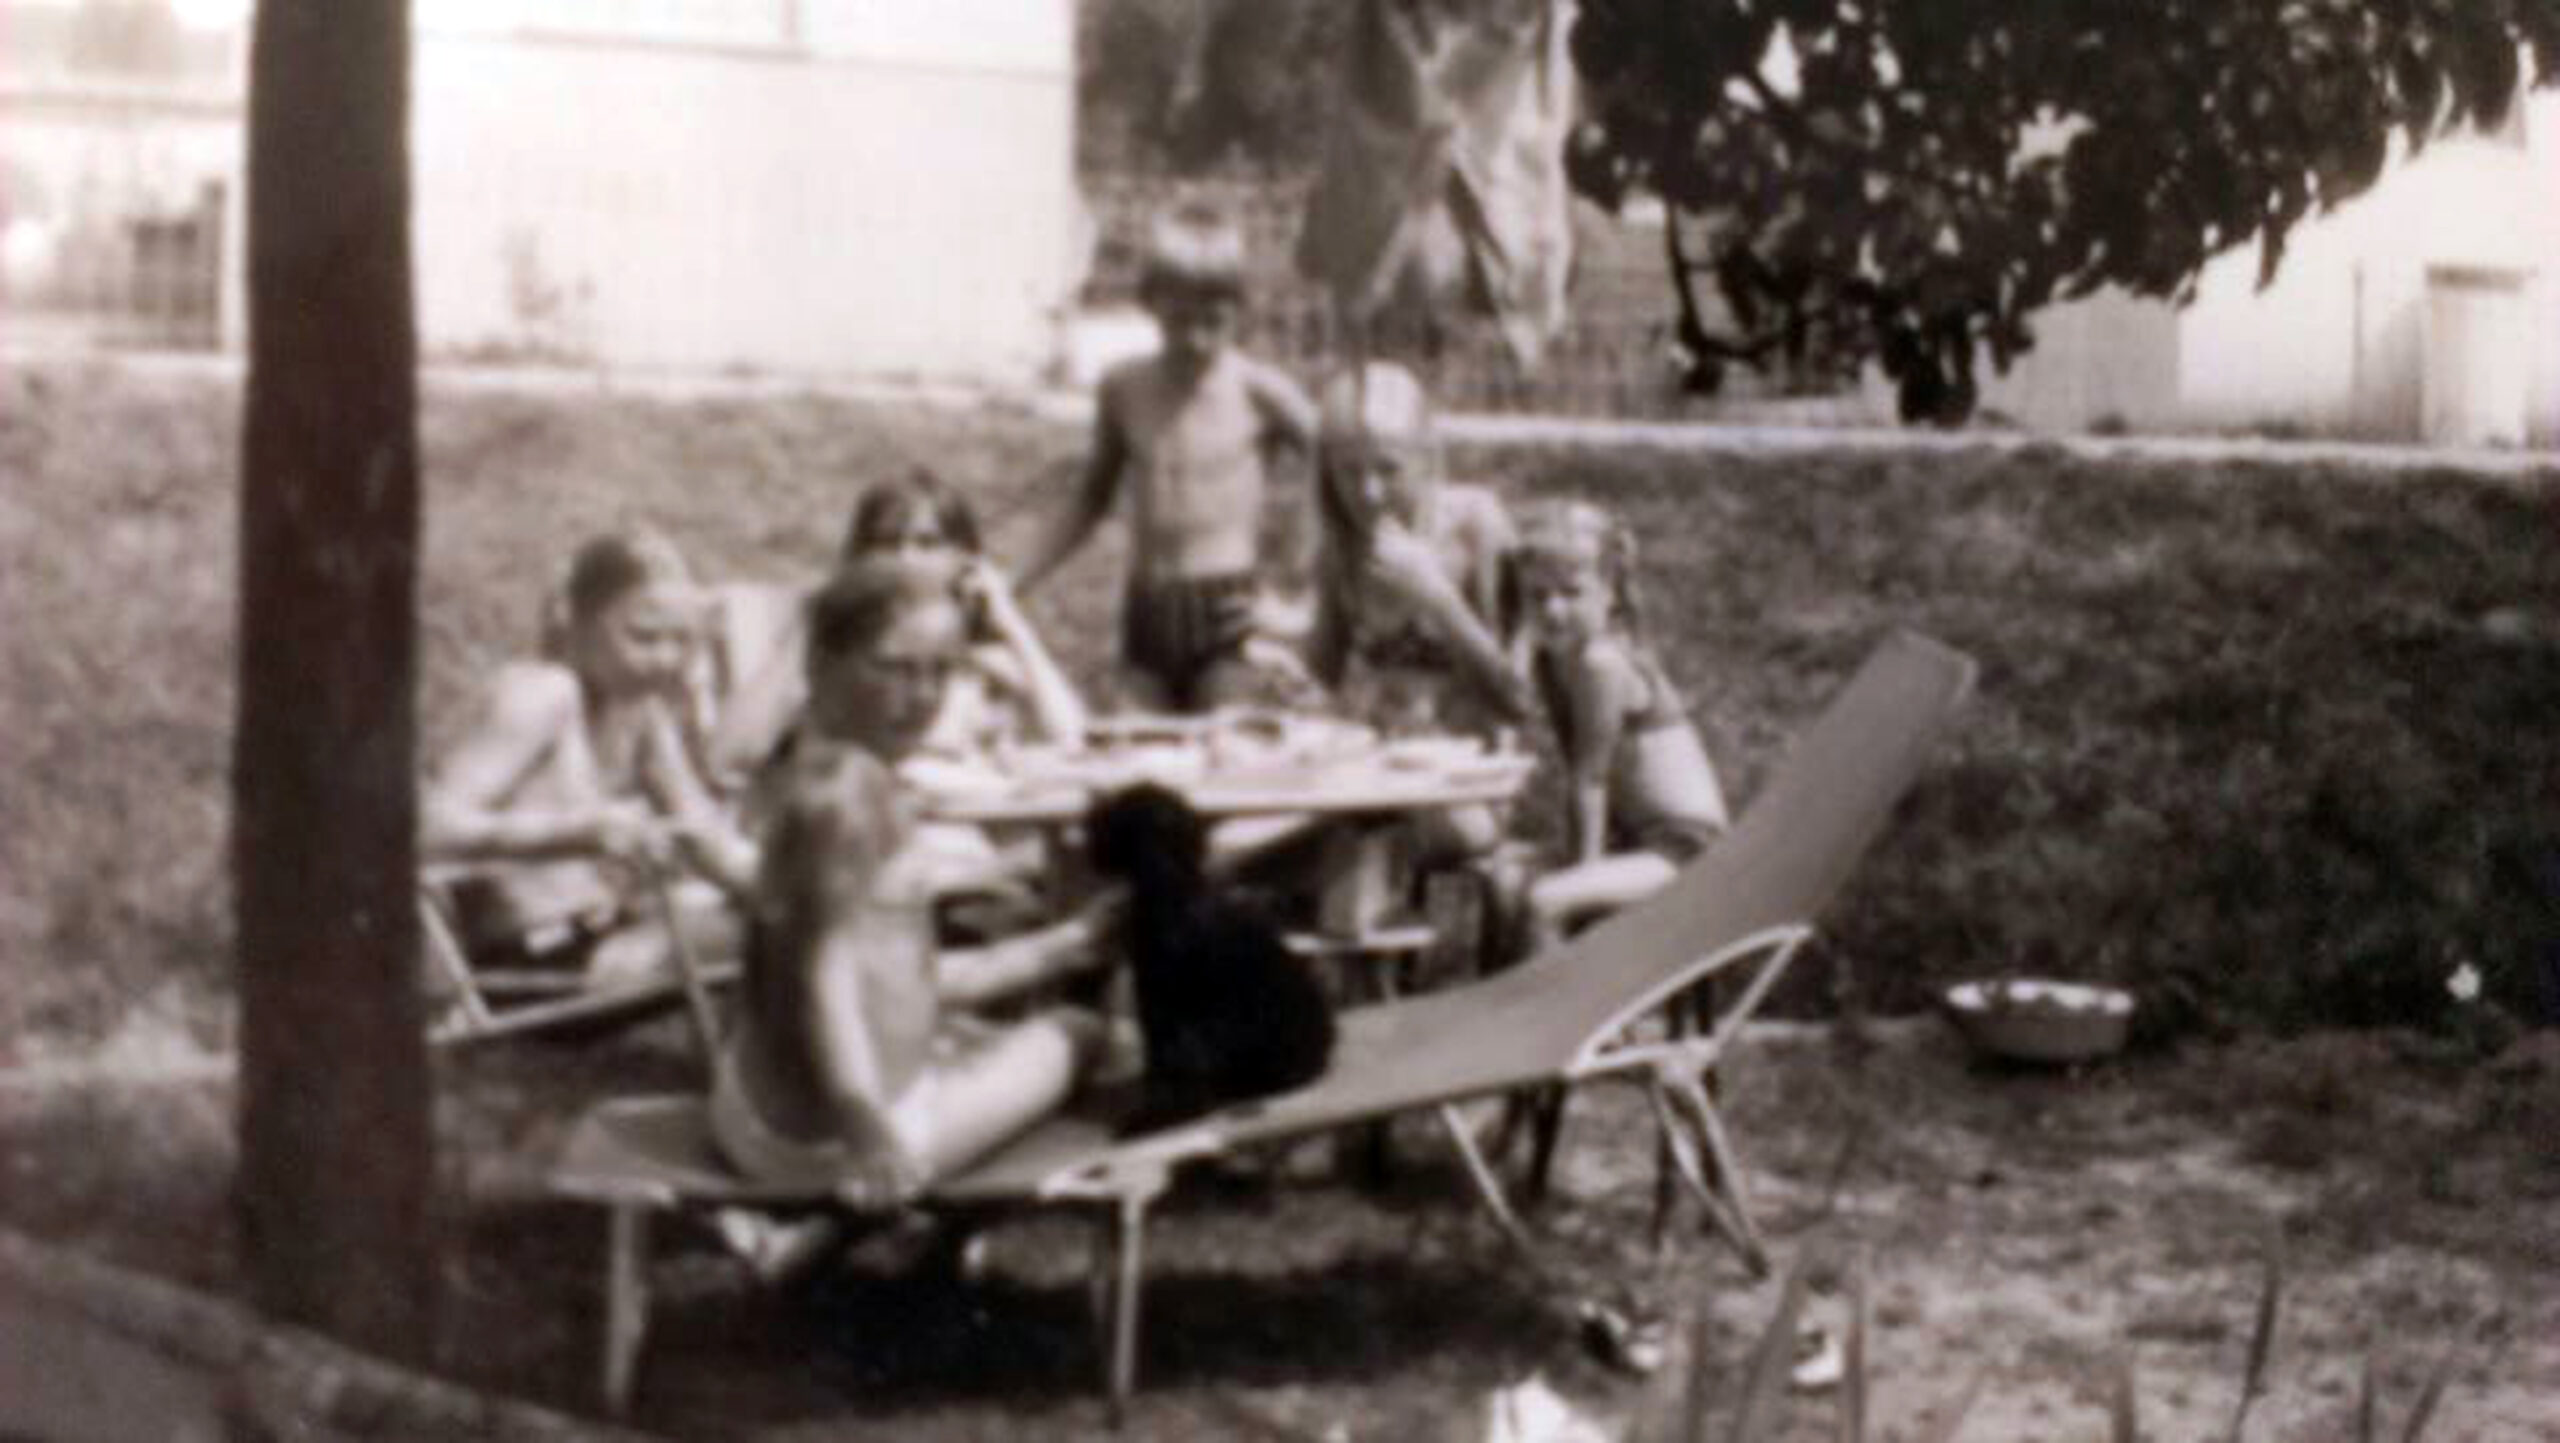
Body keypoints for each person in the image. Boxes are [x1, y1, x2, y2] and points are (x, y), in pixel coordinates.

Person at [709, 560, 1113, 1204]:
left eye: (941, 672)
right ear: (820, 665)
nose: (923, 694)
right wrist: (865, 1127)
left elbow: (896, 978)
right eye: (894, 668)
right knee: (1081, 1032)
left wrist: (1063, 945)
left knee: (993, 1036)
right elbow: (821, 975)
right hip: (833, 1145)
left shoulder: (836, 777)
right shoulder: (843, 799)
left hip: (770, 1115)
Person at [1014, 200, 1320, 713]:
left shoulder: (1259, 391)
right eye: (1179, 320)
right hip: (1149, 610)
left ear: (1240, 307)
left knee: (1226, 745)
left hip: (1228, 611)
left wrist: (1300, 590)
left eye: (1213, 320)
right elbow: (1090, 500)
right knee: (1133, 745)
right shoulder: (1124, 388)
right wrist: (1015, 580)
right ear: (1151, 302)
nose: (1196, 338)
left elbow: (1338, 469)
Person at [423, 531, 744, 988]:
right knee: (771, 935)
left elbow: (707, 838)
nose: (665, 659)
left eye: (681, 641)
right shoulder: (542, 693)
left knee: (799, 917)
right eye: (644, 637)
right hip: (531, 957)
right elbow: (427, 828)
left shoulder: (640, 712)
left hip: (598, 933)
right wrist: (574, 832)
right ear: (577, 620)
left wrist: (801, 880)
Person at [708, 470, 1087, 788]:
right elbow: (728, 756)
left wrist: (1012, 624)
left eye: (927, 543)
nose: (905, 559)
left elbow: (1076, 744)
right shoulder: (836, 649)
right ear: (857, 556)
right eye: (886, 544)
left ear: (965, 559)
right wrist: (814, 621)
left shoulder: (983, 656)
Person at [1512, 498, 1731, 952]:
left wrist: (1582, 878)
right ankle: (1496, 996)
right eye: (1537, 595)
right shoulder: (1554, 658)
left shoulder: (1601, 663)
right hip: (1632, 840)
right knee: (1503, 877)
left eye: (1571, 593)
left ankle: (1570, 998)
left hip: (1684, 848)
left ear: (1609, 591)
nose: (1553, 609)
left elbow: (1590, 782)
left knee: (1546, 901)